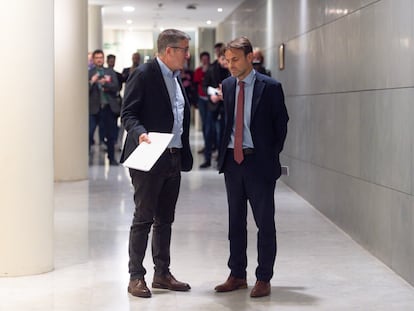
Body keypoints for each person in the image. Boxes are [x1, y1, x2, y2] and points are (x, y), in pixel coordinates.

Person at [120, 29, 193, 298]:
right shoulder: (143, 74)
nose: (188, 55)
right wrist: (140, 132)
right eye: (184, 49)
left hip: (173, 155)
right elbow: (128, 112)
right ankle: (136, 276)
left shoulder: (176, 78)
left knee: (165, 219)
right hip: (149, 155)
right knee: (144, 217)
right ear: (169, 51)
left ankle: (162, 273)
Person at [214, 37, 289, 298]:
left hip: (259, 163)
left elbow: (281, 124)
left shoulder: (270, 87)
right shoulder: (227, 85)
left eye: (235, 60)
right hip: (233, 163)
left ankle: (263, 277)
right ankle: (236, 274)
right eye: (227, 60)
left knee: (264, 222)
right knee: (235, 222)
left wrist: (269, 155)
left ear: (249, 58)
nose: (230, 65)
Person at [200, 43, 230, 168]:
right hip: (212, 105)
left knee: (222, 134)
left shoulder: (230, 70)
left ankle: (221, 160)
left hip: (225, 106)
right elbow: (204, 86)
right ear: (218, 58)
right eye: (223, 59)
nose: (225, 62)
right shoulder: (211, 69)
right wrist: (214, 94)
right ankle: (207, 159)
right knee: (208, 132)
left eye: (226, 59)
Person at [88, 49, 120, 165]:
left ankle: (112, 159)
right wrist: (92, 81)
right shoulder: (89, 73)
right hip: (94, 108)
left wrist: (104, 83)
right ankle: (86, 159)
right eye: (97, 58)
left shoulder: (110, 72)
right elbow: (84, 90)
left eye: (101, 57)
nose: (99, 60)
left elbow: (116, 87)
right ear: (93, 60)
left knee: (111, 134)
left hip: (108, 107)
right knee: (89, 132)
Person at [193, 51, 210, 154]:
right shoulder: (198, 71)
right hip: (201, 99)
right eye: (203, 59)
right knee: (204, 123)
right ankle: (206, 145)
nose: (205, 61)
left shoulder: (212, 69)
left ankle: (210, 146)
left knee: (210, 125)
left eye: (206, 59)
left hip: (211, 100)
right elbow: (196, 84)